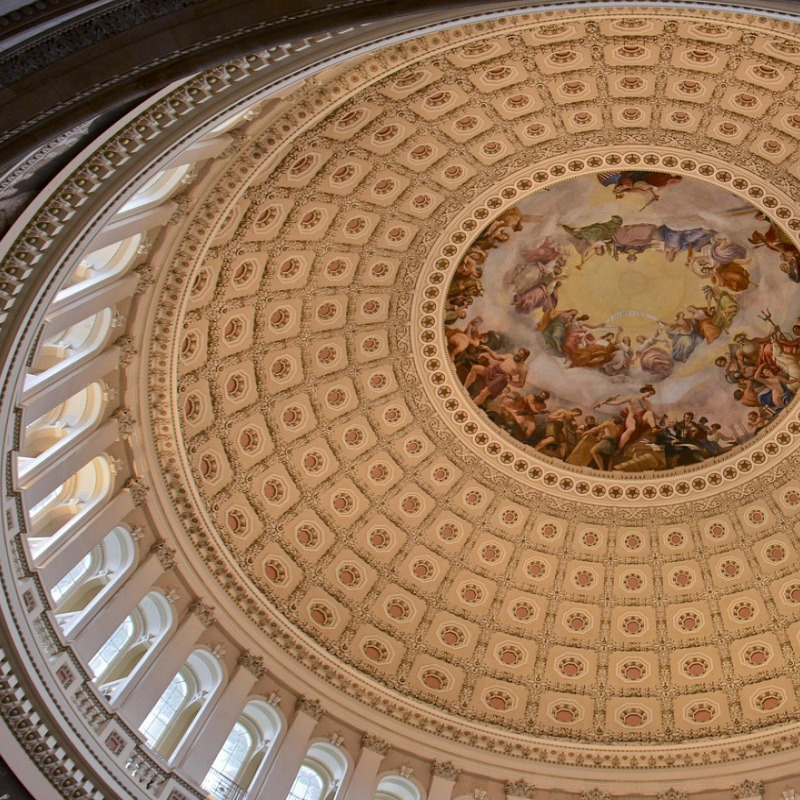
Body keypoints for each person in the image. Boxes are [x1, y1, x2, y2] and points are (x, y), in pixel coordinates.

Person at [596, 385, 658, 451]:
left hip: (641, 419)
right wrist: (604, 403)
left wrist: (660, 418)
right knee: (631, 429)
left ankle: (653, 428)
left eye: (652, 395)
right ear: (646, 391)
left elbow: (650, 413)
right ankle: (619, 449)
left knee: (649, 413)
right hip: (632, 417)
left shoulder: (647, 403)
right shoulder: (631, 397)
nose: (650, 395)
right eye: (650, 393)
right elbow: (617, 403)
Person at [464, 346, 530, 406]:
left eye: (521, 354)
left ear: (524, 357)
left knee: (484, 392)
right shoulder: (509, 356)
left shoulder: (523, 368)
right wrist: (487, 348)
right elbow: (496, 357)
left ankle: (472, 405)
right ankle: (464, 388)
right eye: (518, 352)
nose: (518, 354)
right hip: (494, 370)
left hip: (501, 379)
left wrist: (510, 381)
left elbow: (521, 384)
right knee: (475, 368)